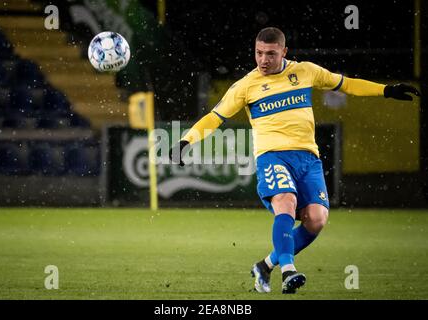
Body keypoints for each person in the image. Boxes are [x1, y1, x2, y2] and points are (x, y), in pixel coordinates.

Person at [169, 27, 420, 294]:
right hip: (272, 156)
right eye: (258, 53)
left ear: (284, 52)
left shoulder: (305, 71)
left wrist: (387, 90)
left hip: (308, 158)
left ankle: (265, 266)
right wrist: (186, 141)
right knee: (286, 203)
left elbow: (346, 84)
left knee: (316, 219)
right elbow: (214, 117)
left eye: (270, 54)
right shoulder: (246, 86)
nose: (263, 60)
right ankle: (288, 270)